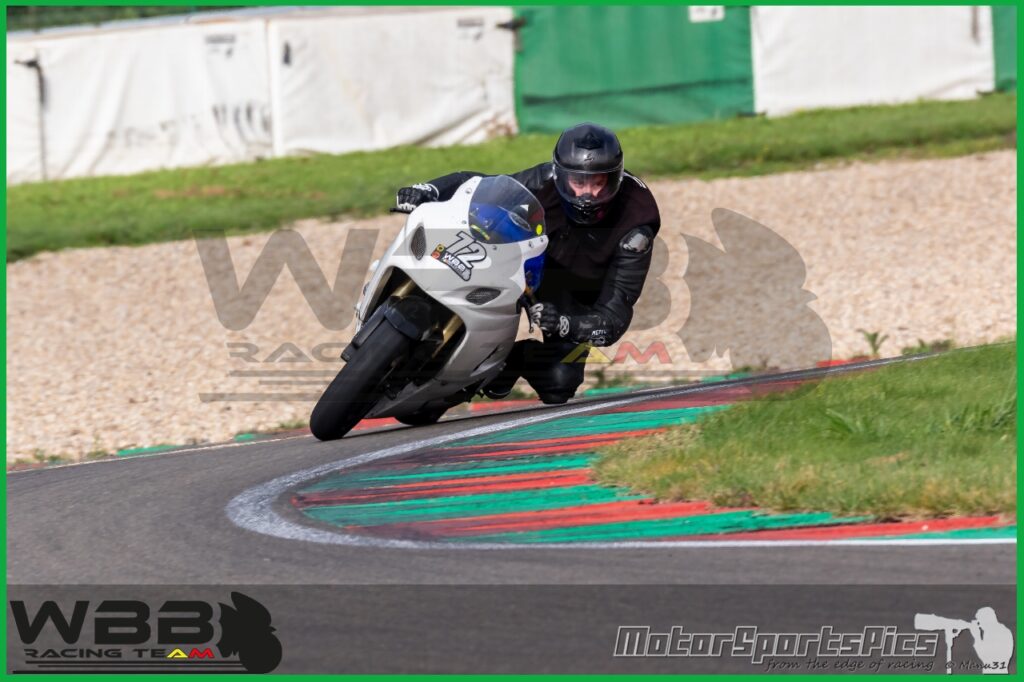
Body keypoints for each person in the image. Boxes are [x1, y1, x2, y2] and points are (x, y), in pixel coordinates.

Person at [396, 122, 660, 404]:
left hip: (574, 296)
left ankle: (505, 362)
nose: (588, 194)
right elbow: (478, 186)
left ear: (615, 179)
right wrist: (430, 189)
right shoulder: (543, 180)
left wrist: (565, 324)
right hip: (522, 262)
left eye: (598, 183)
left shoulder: (636, 225)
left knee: (560, 382)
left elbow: (614, 317)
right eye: (579, 182)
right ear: (560, 175)